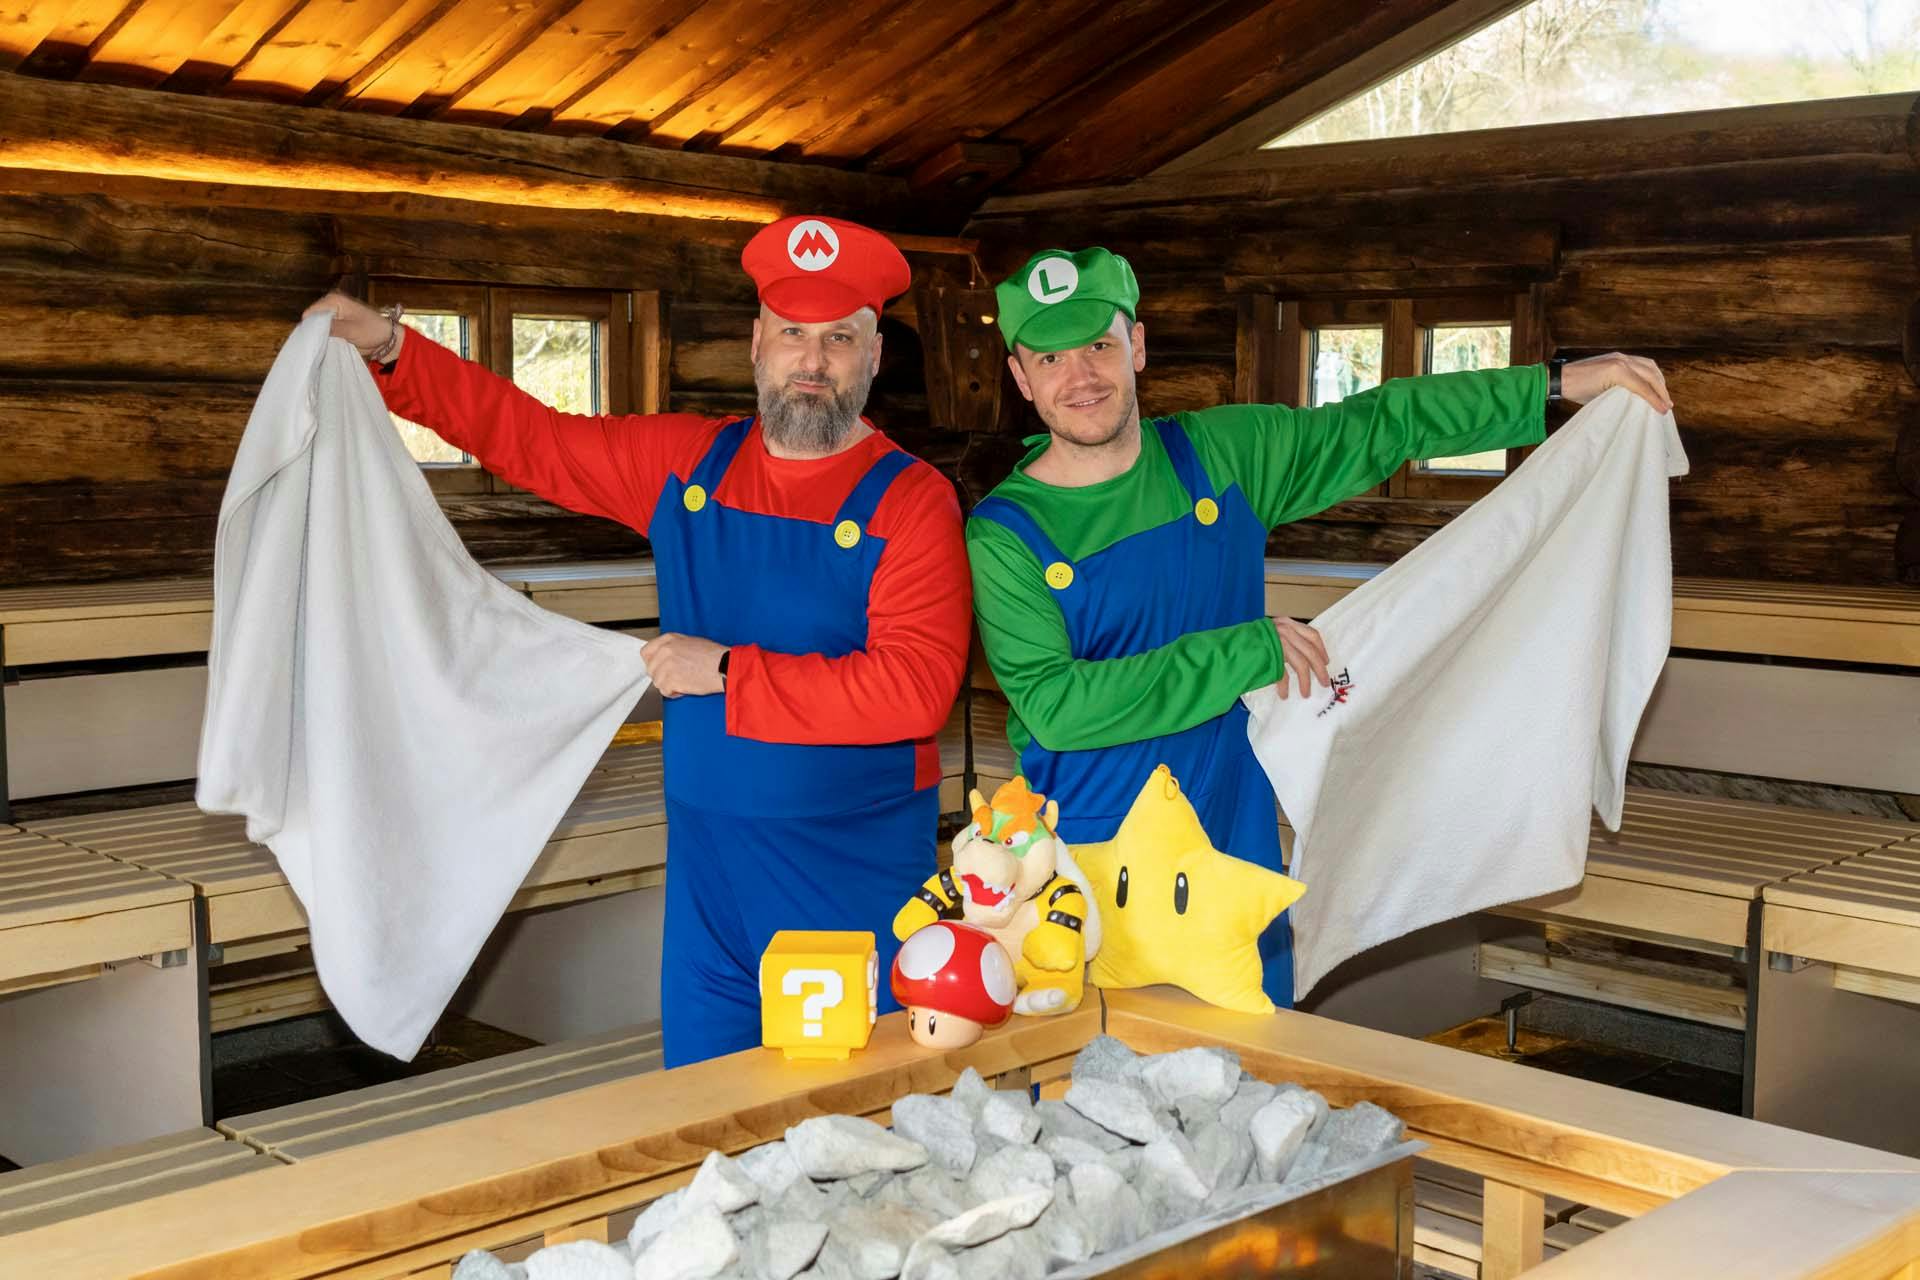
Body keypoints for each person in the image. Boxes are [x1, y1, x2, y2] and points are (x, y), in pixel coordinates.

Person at [307, 215, 971, 1066]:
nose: (813, 361)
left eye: (839, 338)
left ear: (874, 356)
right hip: (707, 875)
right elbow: (535, 441)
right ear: (757, 342)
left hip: (846, 872)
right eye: (793, 334)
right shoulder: (687, 462)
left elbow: (913, 690)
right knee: (702, 1109)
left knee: (850, 1112)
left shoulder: (912, 500)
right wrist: (392, 347)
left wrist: (726, 669)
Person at [966, 246, 1672, 1008]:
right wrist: (1247, 651)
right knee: (1099, 1062)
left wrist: (1555, 384)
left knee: (1255, 1050)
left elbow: (1385, 423)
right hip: (1093, 847)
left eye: (1099, 346)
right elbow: (1058, 708)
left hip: (1230, 824)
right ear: (1021, 377)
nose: (1081, 377)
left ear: (1136, 345)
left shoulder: (1223, 455)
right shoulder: (1006, 533)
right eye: (1051, 358)